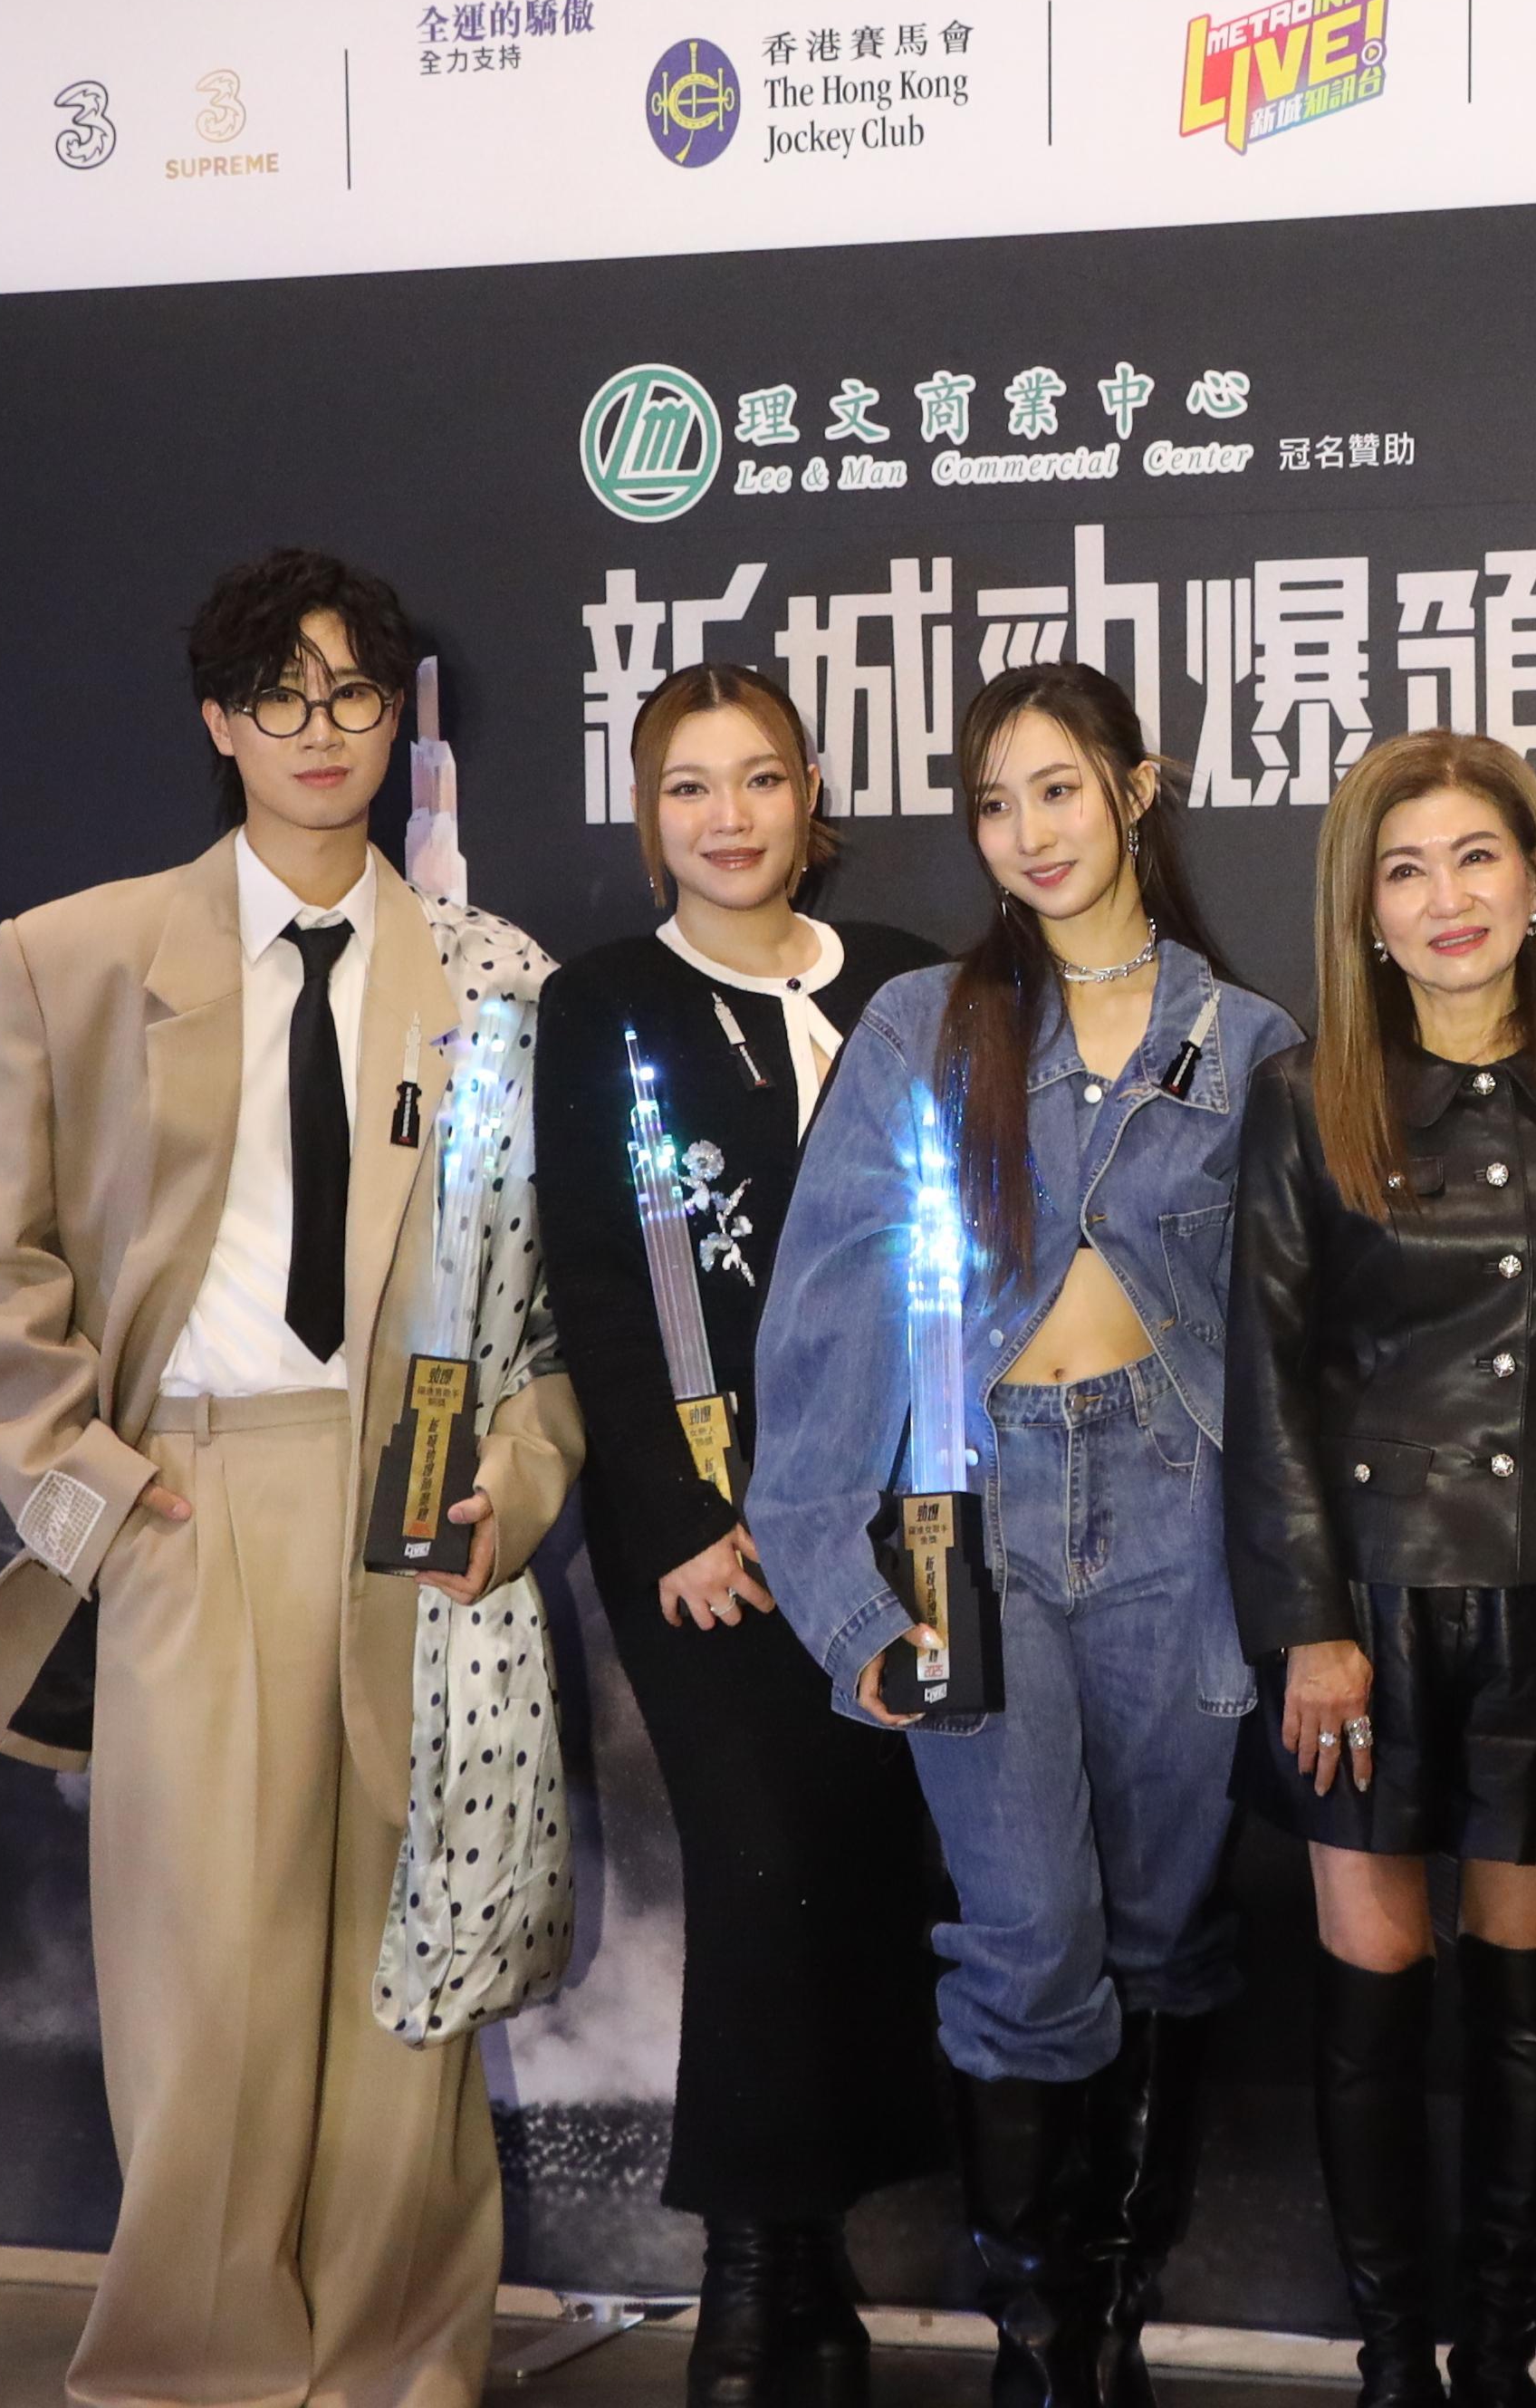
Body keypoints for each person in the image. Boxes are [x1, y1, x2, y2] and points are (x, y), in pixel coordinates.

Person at [0, 547, 583, 2408]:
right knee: (206, 1993)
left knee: (407, 1978)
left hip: (418, 1513)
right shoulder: (73, 956)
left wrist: (518, 1484)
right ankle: (191, 2374)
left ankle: (401, 2360)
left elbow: (552, 1306)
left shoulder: (490, 982)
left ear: (400, 718)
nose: (321, 730)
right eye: (279, 695)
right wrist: (94, 1493)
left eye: (354, 692)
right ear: (219, 724)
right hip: (190, 1506)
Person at [748, 660, 1300, 2408]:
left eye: (1059, 789)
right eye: (994, 804)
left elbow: (1293, 1350)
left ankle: (1109, 2316)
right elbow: (828, 1318)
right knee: (1026, 1935)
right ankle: (1040, 2354)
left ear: (1138, 789)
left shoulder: (1248, 1042)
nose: (1029, 834)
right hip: (971, 1524)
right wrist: (845, 1601)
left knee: (1159, 1934)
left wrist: (1310, 1594)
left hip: (1179, 1513)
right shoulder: (925, 1027)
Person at [1223, 733, 1536, 2408]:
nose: (1447, 899)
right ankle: (1391, 2359)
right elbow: (1267, 1376)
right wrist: (1308, 1628)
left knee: (1524, 1988)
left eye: (1478, 857)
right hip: (1367, 1606)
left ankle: (1498, 2354)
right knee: (1373, 1979)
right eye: (1405, 871)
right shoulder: (1304, 1097)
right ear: (1366, 913)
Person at [535, 663, 951, 2408]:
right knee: (764, 1868)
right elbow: (593, 1284)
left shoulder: (908, 981)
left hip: (901, 1525)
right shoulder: (601, 1003)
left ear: (810, 799)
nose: (730, 817)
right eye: (691, 786)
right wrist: (689, 1517)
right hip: (709, 1539)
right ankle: (751, 2266)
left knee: (866, 1872)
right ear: (651, 818)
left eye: (761, 778)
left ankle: (819, 2255)